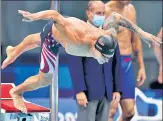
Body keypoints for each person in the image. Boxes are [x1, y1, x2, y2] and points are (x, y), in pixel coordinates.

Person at [2, 8, 161, 113]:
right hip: (54, 36)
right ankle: (16, 92)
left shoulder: (108, 36)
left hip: (65, 38)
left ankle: (13, 50)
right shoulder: (77, 36)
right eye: (104, 57)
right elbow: (55, 15)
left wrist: (142, 33)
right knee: (44, 79)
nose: (105, 61)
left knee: (36, 40)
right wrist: (34, 17)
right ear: (94, 47)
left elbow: (116, 17)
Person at [67, 1, 121, 121]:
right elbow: (75, 64)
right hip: (88, 93)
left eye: (103, 13)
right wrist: (79, 90)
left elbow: (116, 64)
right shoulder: (78, 33)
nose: (101, 16)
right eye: (98, 13)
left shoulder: (110, 35)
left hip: (107, 92)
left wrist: (117, 89)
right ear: (88, 13)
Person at [105, 0, 150, 121]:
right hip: (111, 63)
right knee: (110, 111)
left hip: (127, 63)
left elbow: (135, 39)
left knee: (129, 111)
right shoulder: (105, 10)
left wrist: (141, 67)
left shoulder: (131, 9)